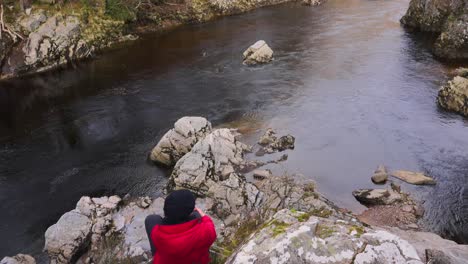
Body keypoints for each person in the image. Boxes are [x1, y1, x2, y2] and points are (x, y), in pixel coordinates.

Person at [145, 189, 217, 264]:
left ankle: (155, 255)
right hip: (196, 260)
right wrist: (202, 215)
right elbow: (210, 227)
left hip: (166, 259)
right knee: (196, 215)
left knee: (152, 219)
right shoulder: (205, 231)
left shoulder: (157, 233)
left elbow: (155, 229)